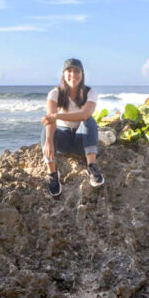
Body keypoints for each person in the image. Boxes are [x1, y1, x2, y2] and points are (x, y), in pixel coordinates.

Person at [40, 58, 104, 196]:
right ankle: (52, 174)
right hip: (63, 140)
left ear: (82, 74)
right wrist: (49, 141)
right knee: (46, 129)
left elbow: (84, 114)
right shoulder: (55, 93)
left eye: (77, 71)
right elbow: (50, 121)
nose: (73, 74)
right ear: (63, 74)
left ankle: (92, 167)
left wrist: (57, 116)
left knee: (90, 121)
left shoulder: (90, 93)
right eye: (69, 71)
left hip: (82, 141)